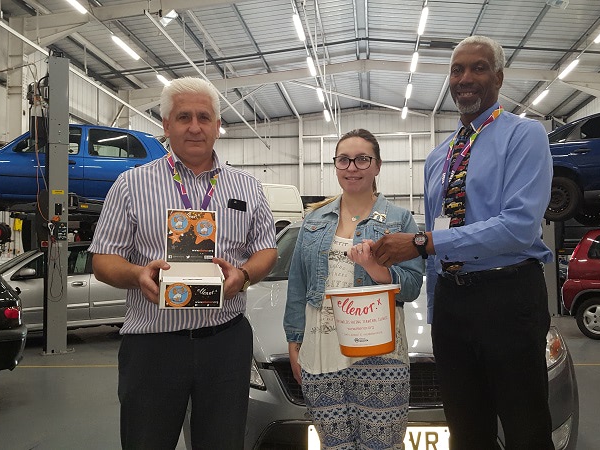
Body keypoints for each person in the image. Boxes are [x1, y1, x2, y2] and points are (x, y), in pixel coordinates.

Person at [371, 36, 555, 449]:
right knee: (466, 428)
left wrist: (421, 242)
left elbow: (519, 226)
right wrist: (439, 313)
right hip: (454, 306)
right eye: (457, 70)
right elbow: (438, 240)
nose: (465, 78)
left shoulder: (524, 136)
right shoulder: (440, 156)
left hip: (508, 297)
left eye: (478, 68)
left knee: (525, 426)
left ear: (498, 77)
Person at [89, 76, 277, 450]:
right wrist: (137, 273)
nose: (195, 127)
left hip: (224, 341)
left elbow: (266, 249)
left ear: (218, 126)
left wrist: (243, 274)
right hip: (153, 345)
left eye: (204, 117)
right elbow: (103, 258)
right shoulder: (130, 185)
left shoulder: (247, 188)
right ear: (166, 125)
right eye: (184, 117)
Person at [283, 129, 423, 449]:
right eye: (344, 159)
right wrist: (294, 339)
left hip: (379, 353)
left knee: (381, 445)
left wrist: (376, 270)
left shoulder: (400, 220)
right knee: (335, 446)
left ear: (377, 166)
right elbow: (298, 284)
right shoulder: (314, 220)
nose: (352, 167)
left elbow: (413, 286)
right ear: (335, 165)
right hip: (321, 353)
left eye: (362, 159)